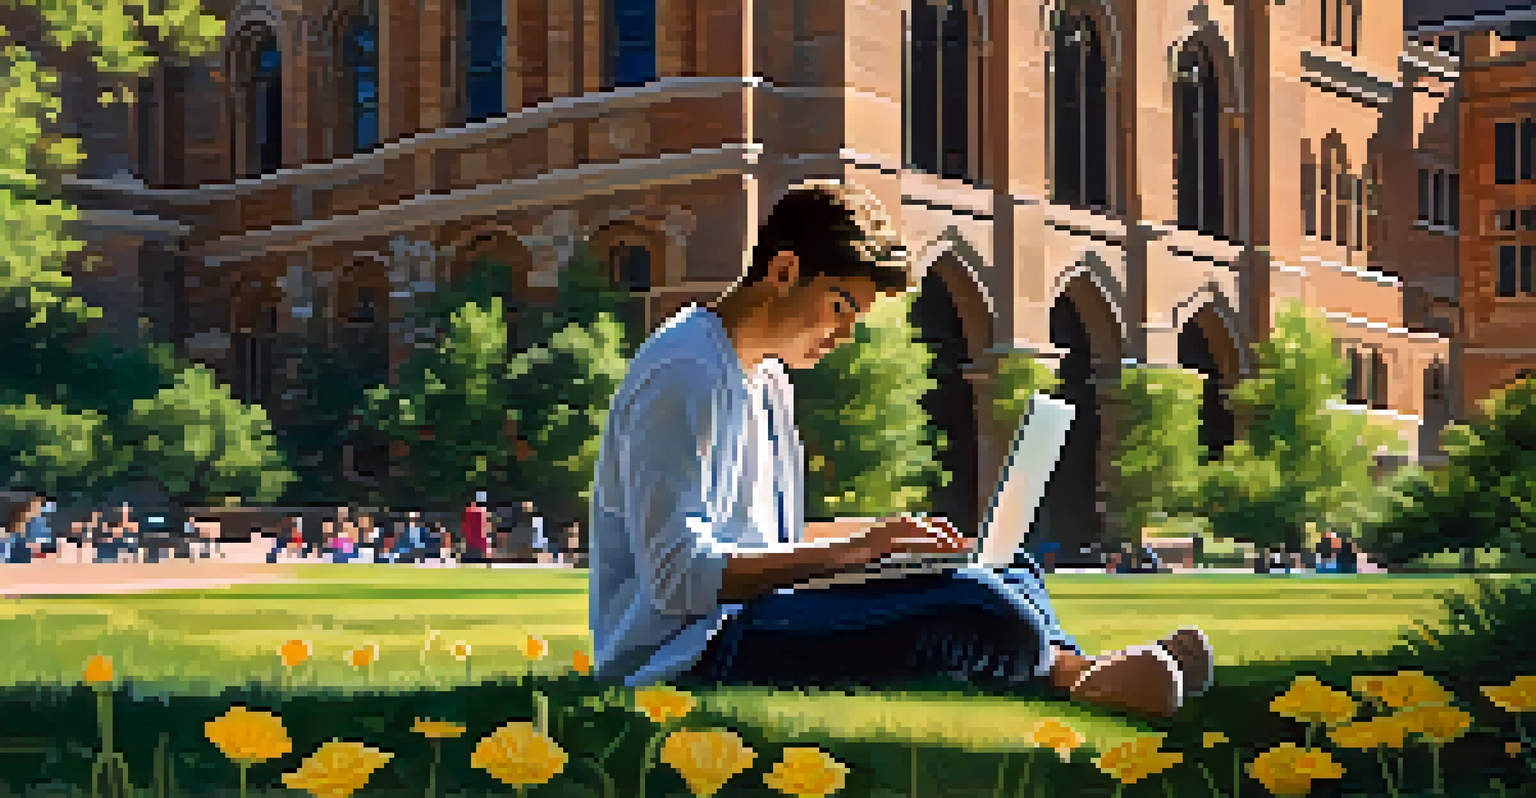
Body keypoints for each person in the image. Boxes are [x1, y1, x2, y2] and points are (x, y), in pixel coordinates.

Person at [588, 182, 1213, 718]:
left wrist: (887, 538)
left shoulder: (768, 379)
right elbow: (678, 578)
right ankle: (1073, 678)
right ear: (783, 272)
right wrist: (859, 552)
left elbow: (766, 540)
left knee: (1006, 566)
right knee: (974, 602)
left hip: (752, 613)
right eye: (840, 307)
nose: (843, 334)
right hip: (690, 650)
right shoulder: (684, 373)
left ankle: (1080, 668)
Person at [461, 494, 489, 564]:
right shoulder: (480, 511)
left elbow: (464, 527)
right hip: (476, 540)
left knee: (471, 557)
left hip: (472, 540)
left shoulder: (468, 512)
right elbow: (484, 526)